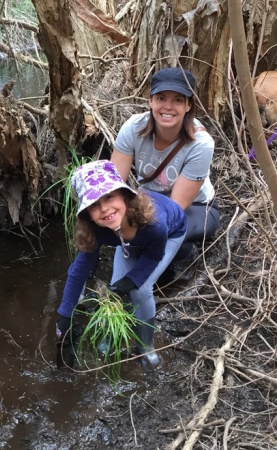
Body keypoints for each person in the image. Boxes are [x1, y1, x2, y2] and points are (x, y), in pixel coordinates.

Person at [55, 160, 186, 369]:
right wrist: (64, 319)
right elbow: (79, 271)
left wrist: (132, 280)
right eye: (94, 205)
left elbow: (153, 255)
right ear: (87, 213)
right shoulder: (98, 229)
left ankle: (146, 345)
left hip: (169, 236)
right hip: (128, 240)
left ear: (125, 196)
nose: (104, 209)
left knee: (140, 289)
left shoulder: (155, 224)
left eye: (109, 197)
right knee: (115, 288)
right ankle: (112, 335)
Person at [110, 67, 220, 278]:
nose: (168, 107)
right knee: (128, 230)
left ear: (188, 105)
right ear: (150, 101)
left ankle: (187, 254)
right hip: (148, 199)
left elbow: (176, 208)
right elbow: (113, 184)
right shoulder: (133, 128)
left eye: (178, 100)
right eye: (161, 98)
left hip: (197, 209)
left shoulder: (201, 143)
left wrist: (135, 225)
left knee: (154, 232)